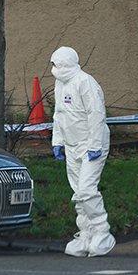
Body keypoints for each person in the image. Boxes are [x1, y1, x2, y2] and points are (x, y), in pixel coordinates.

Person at [50, 46, 115, 257]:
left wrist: (95, 145)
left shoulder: (85, 82)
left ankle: (102, 231)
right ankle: (85, 233)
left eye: (58, 64)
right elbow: (59, 114)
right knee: (78, 193)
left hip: (90, 145)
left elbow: (96, 114)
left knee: (87, 189)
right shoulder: (60, 84)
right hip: (72, 145)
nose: (55, 68)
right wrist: (58, 141)